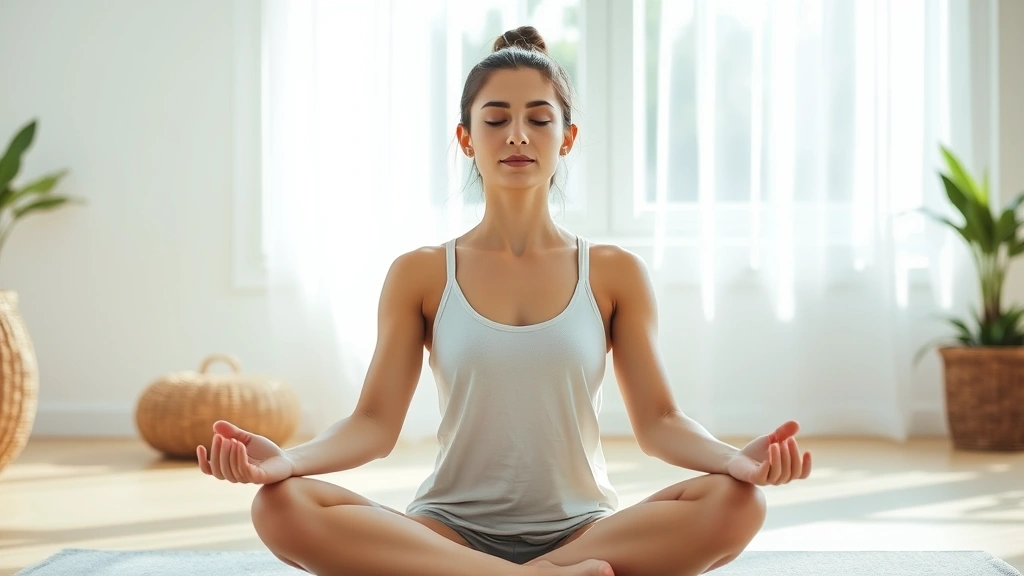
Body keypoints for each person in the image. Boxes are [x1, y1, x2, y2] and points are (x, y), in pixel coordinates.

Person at [197, 26, 812, 576]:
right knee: (281, 505)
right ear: (466, 139)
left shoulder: (615, 272)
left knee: (738, 502)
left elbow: (660, 424)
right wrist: (289, 462)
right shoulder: (419, 273)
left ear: (566, 138)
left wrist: (736, 460)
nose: (517, 135)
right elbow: (373, 425)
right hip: (449, 528)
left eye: (539, 119)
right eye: (495, 119)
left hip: (583, 530)